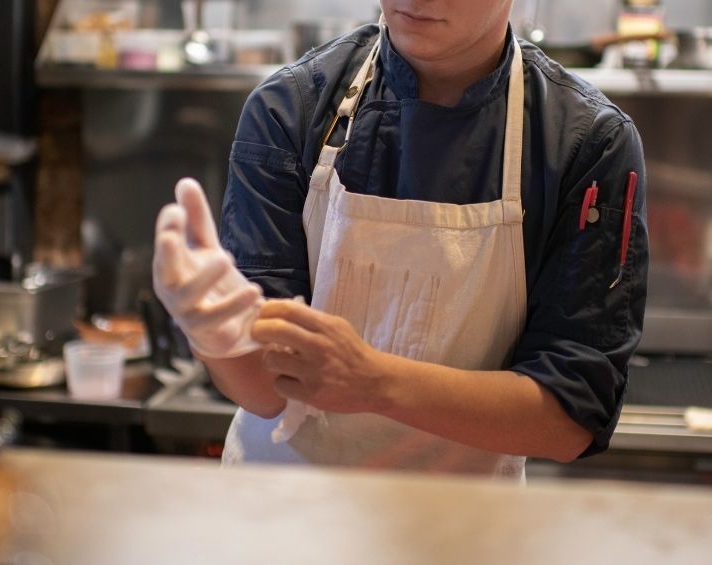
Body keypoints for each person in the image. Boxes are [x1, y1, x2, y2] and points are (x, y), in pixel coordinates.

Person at [152, 0, 648, 478]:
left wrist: (372, 382)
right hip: (285, 519)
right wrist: (216, 332)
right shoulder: (292, 108)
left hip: (459, 537)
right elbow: (265, 391)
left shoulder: (584, 142)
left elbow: (567, 422)